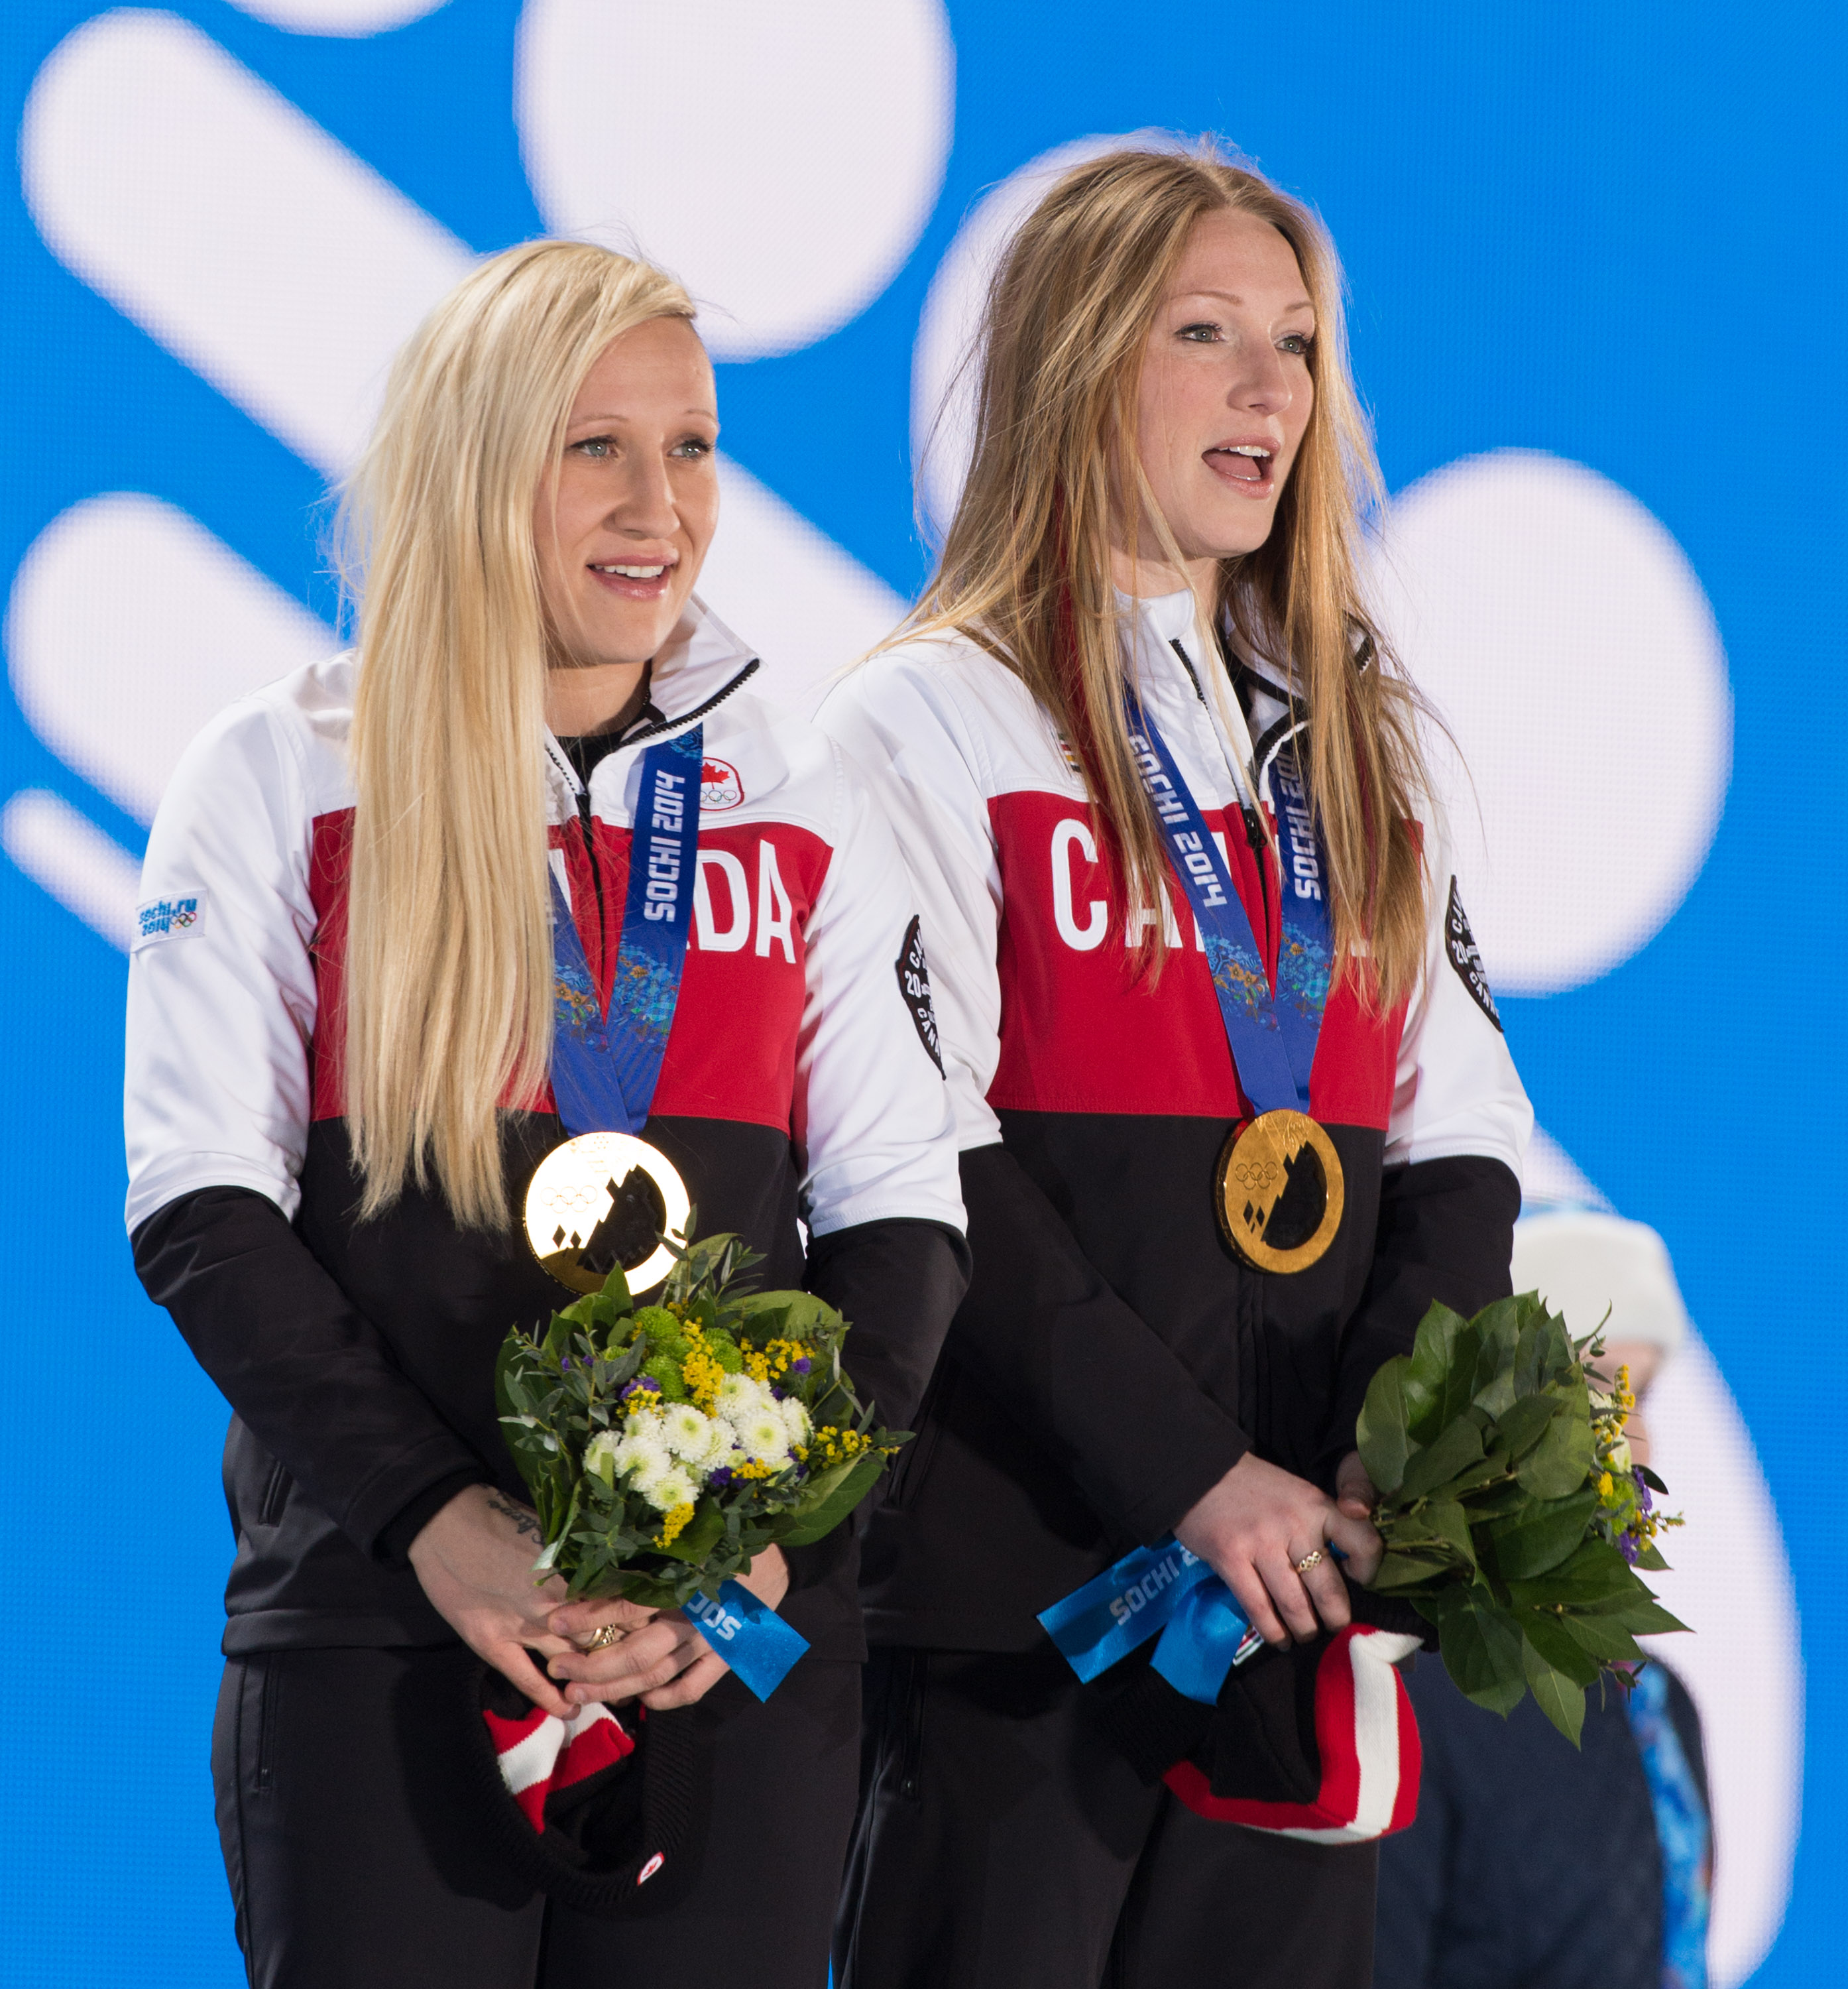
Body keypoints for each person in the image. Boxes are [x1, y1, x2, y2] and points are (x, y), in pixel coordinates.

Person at [125, 241, 968, 1988]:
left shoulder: (806, 798)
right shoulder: (286, 772)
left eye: (692, 446)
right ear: (476, 462)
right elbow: (200, 1211)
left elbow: (902, 1226)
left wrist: (738, 1569)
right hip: (382, 1633)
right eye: (593, 446)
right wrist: (446, 1527)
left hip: (720, 1658)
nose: (657, 502)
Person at [817, 145, 1531, 1988]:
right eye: (1201, 332)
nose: (1266, 387)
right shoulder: (928, 718)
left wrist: (1379, 1471)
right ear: (1072, 366)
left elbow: (1456, 1141)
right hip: (1024, 1607)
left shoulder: (1352, 747)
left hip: (1296, 1602)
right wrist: (1193, 1474)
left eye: (1292, 343)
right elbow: (923, 1159)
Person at [1374, 1208, 1713, 1989]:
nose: (1629, 1438)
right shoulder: (1401, 1693)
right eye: (1591, 1386)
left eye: (1644, 1396)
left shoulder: (1661, 1706)